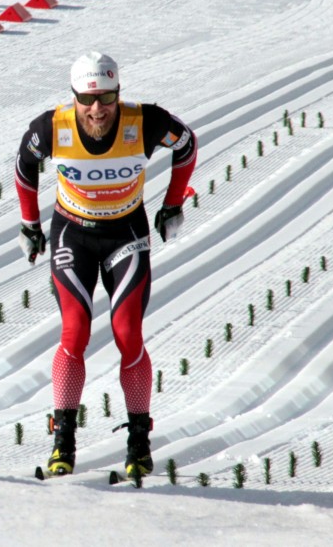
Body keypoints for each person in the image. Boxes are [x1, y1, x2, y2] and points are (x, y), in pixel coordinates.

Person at [14, 51, 197, 477]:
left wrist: (172, 204)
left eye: (108, 98)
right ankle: (63, 442)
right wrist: (29, 224)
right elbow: (25, 168)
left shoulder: (146, 122)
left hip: (125, 233)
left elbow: (187, 146)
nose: (98, 109)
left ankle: (138, 443)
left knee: (128, 333)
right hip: (72, 234)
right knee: (74, 331)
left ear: (119, 93)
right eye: (88, 99)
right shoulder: (52, 127)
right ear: (74, 96)